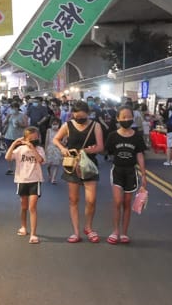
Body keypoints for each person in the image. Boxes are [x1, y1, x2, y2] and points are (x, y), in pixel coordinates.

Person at [53, 101, 105, 243]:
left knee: (91, 200)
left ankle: (88, 227)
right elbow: (56, 139)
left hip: (89, 165)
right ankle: (76, 232)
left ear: (88, 114)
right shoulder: (67, 125)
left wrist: (86, 151)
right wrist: (63, 149)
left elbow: (100, 146)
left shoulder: (96, 126)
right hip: (72, 165)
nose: (79, 119)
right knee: (73, 200)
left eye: (82, 117)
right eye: (76, 117)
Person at [104, 107, 147, 244]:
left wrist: (144, 175)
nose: (126, 119)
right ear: (118, 119)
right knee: (117, 202)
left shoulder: (137, 136)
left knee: (127, 203)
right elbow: (108, 152)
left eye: (129, 117)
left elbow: (139, 154)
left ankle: (124, 233)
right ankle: (115, 231)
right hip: (117, 170)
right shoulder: (112, 136)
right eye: (123, 117)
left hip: (131, 172)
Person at [5, 126, 44, 244]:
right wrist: (14, 144)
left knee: (32, 207)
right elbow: (7, 157)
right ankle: (23, 226)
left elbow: (41, 160)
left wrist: (33, 148)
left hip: (35, 180)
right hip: (22, 180)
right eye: (31, 139)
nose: (34, 141)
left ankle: (33, 234)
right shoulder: (20, 149)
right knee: (24, 206)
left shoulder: (40, 149)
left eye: (36, 138)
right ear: (25, 139)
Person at [44, 118, 64, 184]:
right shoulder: (49, 130)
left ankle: (53, 178)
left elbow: (63, 141)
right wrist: (45, 149)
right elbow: (47, 140)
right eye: (53, 124)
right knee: (49, 164)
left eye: (56, 124)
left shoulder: (61, 131)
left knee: (56, 164)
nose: (55, 126)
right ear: (51, 124)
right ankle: (49, 174)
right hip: (50, 148)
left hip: (57, 149)